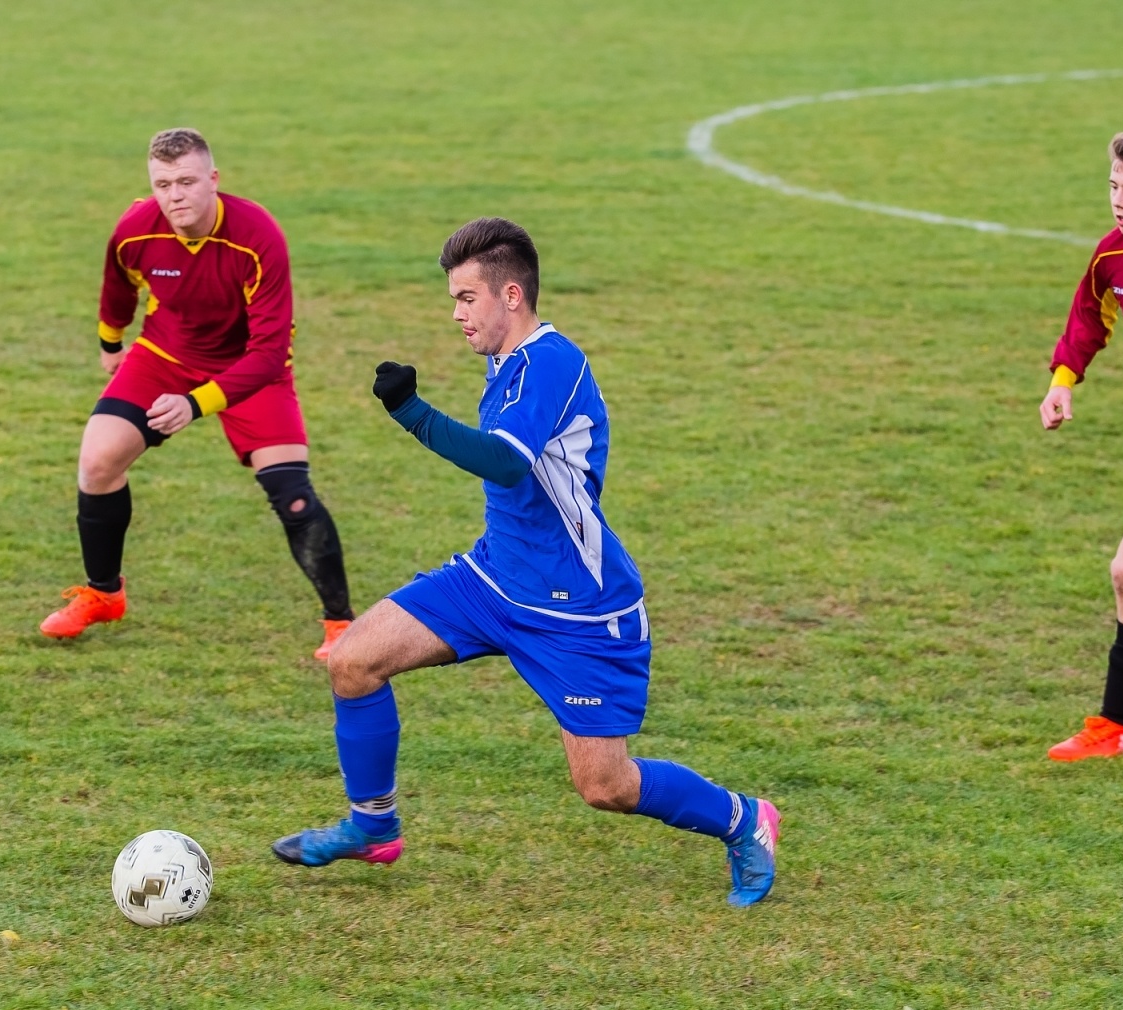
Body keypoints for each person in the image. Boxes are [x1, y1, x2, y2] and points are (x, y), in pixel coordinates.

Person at [271, 217, 781, 907]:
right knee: (353, 661)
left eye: (466, 298)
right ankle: (373, 827)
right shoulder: (507, 361)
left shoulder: (551, 363)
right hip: (492, 581)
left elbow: (506, 462)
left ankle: (744, 818)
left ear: (512, 295)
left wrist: (413, 412)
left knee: (605, 785)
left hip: (578, 610)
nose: (456, 314)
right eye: (452, 299)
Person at [40, 127, 354, 659]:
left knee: (295, 499)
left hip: (252, 367)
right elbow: (118, 281)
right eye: (163, 184)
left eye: (186, 181)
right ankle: (103, 594)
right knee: (97, 462)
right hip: (166, 353)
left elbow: (269, 352)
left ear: (214, 180)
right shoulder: (138, 228)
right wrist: (110, 340)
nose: (174, 195)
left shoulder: (258, 236)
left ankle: (341, 626)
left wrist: (196, 402)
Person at [1041, 128, 1123, 761]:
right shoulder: (1114, 257)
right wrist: (1062, 382)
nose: (1118, 200)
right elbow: (1088, 317)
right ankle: (1117, 727)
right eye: (1113, 186)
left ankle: (1117, 726)